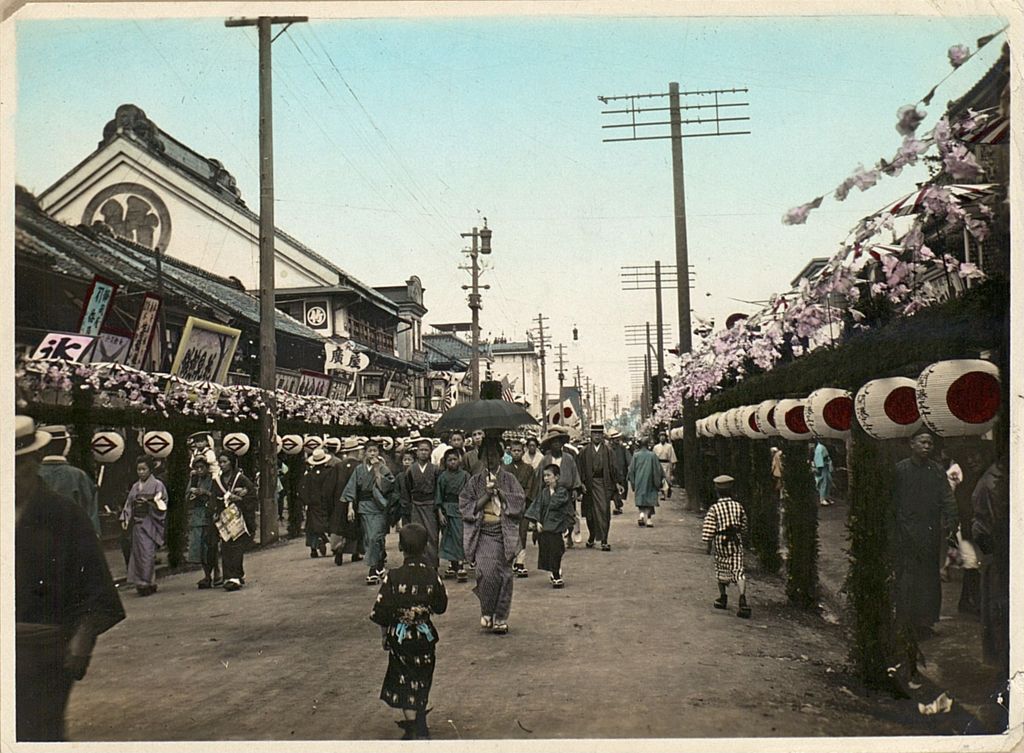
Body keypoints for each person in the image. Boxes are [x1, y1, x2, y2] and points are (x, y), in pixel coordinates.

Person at [15, 416, 126, 741]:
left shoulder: (63, 515)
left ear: (34, 463)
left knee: (36, 731)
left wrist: (83, 638)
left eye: (17, 468)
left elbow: (96, 584)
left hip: (45, 650)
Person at [369, 523, 448, 740]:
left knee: (404, 677)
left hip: (400, 636)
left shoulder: (393, 577)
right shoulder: (433, 575)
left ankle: (412, 724)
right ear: (425, 547)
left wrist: (385, 635)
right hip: (425, 635)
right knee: (423, 675)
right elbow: (441, 606)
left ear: (401, 548)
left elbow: (382, 611)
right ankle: (420, 717)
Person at [891, 429, 958, 676]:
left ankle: (926, 621)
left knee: (928, 577)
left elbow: (947, 498)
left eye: (930, 443)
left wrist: (952, 521)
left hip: (929, 533)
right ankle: (906, 619)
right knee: (907, 576)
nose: (927, 446)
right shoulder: (900, 470)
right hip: (904, 532)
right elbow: (892, 501)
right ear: (911, 444)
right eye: (922, 442)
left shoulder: (936, 471)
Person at [459, 436, 526, 634]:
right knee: (485, 572)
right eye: (487, 455)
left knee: (504, 575)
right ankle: (487, 609)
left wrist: (501, 492)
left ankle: (501, 617)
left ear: (501, 456)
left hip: (503, 530)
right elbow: (465, 506)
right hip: (484, 533)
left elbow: (519, 502)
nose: (491, 458)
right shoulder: (475, 481)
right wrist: (486, 495)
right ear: (481, 458)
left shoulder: (509, 479)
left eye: (494, 454)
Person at [971, 456, 1009, 681]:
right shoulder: (991, 483)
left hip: (1001, 550)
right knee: (998, 607)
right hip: (997, 553)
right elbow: (981, 525)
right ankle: (1003, 661)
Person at [342, 439, 396, 585]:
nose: (372, 454)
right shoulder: (359, 469)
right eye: (370, 451)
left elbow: (390, 486)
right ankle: (377, 565)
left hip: (379, 506)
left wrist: (378, 471)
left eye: (375, 451)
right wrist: (350, 507)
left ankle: (373, 568)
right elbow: (351, 488)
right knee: (369, 538)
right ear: (364, 453)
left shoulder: (383, 468)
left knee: (375, 537)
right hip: (364, 507)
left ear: (378, 452)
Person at [701, 474, 751, 618]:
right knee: (738, 567)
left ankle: (723, 597)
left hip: (721, 540)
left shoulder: (714, 508)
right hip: (735, 540)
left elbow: (709, 528)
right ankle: (742, 597)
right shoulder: (738, 506)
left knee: (721, 566)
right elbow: (744, 525)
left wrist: (708, 546)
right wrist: (742, 536)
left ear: (717, 491)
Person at [37, 425, 100, 534]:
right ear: (66, 446)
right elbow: (91, 518)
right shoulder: (79, 477)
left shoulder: (29, 475)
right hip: (71, 540)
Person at [119, 455, 168, 596]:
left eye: (143, 469)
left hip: (150, 521)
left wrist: (149, 503)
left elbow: (162, 502)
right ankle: (143, 582)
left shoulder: (158, 485)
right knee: (138, 554)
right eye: (139, 469)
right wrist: (126, 518)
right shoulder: (135, 486)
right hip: (137, 524)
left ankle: (146, 582)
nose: (141, 472)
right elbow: (128, 504)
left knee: (147, 553)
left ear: (150, 470)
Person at [214, 452, 258, 591]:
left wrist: (240, 498)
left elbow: (252, 495)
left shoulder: (241, 479)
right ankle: (231, 575)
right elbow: (214, 497)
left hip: (238, 516)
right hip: (224, 516)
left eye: (224, 462)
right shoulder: (218, 480)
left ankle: (235, 577)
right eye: (220, 462)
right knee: (226, 545)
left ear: (231, 463)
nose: (222, 465)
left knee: (237, 545)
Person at [525, 464, 574, 588]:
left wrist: (567, 526)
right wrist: (537, 521)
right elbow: (537, 507)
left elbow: (565, 509)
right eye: (544, 476)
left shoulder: (562, 492)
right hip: (545, 526)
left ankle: (556, 573)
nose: (546, 478)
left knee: (557, 550)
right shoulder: (544, 492)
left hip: (557, 526)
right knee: (549, 550)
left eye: (549, 475)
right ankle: (555, 572)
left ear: (557, 477)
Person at [536, 426, 583, 547]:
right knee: (553, 515)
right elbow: (540, 476)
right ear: (550, 444)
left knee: (568, 515)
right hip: (550, 491)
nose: (556, 445)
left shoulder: (569, 458)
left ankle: (569, 535)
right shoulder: (545, 460)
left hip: (566, 491)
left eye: (558, 442)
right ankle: (556, 536)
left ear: (562, 443)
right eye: (553, 442)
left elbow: (574, 474)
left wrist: (575, 489)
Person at [402, 439, 442, 568]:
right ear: (417, 452)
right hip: (416, 506)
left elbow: (438, 489)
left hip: (430, 505)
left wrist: (437, 506)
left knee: (432, 535)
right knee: (417, 535)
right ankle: (419, 564)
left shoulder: (435, 469)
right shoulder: (410, 470)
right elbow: (407, 489)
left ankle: (432, 565)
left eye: (426, 450)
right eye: (421, 450)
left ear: (430, 452)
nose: (423, 453)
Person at [186, 456, 221, 588]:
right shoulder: (194, 480)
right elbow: (187, 497)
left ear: (207, 467)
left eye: (202, 467)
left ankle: (217, 572)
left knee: (210, 546)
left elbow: (218, 495)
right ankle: (207, 575)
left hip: (209, 514)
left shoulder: (213, 479)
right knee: (199, 547)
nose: (200, 470)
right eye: (197, 468)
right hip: (197, 515)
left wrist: (205, 492)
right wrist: (192, 494)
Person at [577, 424, 614, 551]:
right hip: (589, 485)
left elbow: (613, 468)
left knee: (604, 511)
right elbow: (579, 469)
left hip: (603, 483)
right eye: (595, 433)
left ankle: (604, 539)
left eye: (599, 433)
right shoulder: (584, 451)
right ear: (590, 435)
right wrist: (581, 483)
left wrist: (618, 483)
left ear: (602, 435)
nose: (597, 436)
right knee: (590, 514)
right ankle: (592, 536)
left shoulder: (608, 450)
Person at [436, 449, 470, 582]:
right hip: (446, 509)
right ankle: (453, 564)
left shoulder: (465, 475)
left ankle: (461, 565)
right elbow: (438, 496)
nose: (452, 462)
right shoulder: (443, 477)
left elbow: (470, 492)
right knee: (448, 537)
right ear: (445, 462)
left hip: (460, 508)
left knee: (459, 537)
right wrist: (440, 513)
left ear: (459, 460)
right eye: (449, 460)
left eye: (455, 459)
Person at [329, 437, 364, 566]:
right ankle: (356, 552)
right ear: (355, 451)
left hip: (340, 500)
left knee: (341, 526)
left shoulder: (338, 466)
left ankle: (339, 549)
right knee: (356, 527)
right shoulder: (360, 466)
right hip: (356, 500)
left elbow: (331, 485)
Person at [301, 448, 339, 559]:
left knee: (312, 527)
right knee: (331, 525)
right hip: (328, 503)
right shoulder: (330, 472)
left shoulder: (309, 475)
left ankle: (314, 548)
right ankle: (335, 546)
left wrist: (307, 501)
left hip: (313, 504)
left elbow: (303, 490)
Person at [506, 439, 537, 577]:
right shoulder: (505, 469)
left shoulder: (529, 468)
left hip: (524, 505)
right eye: (514, 450)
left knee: (522, 533)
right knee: (510, 534)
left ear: (523, 451)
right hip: (509, 505)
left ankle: (520, 562)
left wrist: (523, 498)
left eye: (519, 450)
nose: (516, 453)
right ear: (510, 452)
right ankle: (510, 560)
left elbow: (531, 486)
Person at [628, 435, 665, 528]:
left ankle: (641, 515)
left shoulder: (636, 455)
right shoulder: (652, 455)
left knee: (641, 499)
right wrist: (658, 481)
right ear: (648, 445)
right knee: (650, 500)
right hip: (650, 481)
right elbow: (657, 469)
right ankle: (648, 519)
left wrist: (633, 482)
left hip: (639, 481)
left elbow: (631, 470)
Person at [607, 429, 632, 515]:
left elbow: (629, 459)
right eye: (615, 438)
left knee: (621, 489)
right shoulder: (607, 449)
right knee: (614, 490)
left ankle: (618, 505)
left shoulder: (622, 448)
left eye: (618, 438)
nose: (617, 440)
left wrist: (630, 468)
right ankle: (618, 505)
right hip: (611, 473)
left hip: (621, 472)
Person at [652, 431, 677, 500]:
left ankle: (668, 489)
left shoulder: (669, 446)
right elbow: (653, 457)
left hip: (667, 464)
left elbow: (672, 456)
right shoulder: (656, 447)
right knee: (661, 479)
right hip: (659, 464)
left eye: (663, 436)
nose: (662, 438)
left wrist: (673, 464)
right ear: (659, 438)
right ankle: (663, 493)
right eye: (661, 436)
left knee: (667, 479)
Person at [811, 440, 834, 506]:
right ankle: (822, 499)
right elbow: (818, 459)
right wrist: (819, 468)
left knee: (829, 482)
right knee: (823, 483)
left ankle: (827, 497)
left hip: (826, 466)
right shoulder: (819, 448)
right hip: (822, 467)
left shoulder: (822, 447)